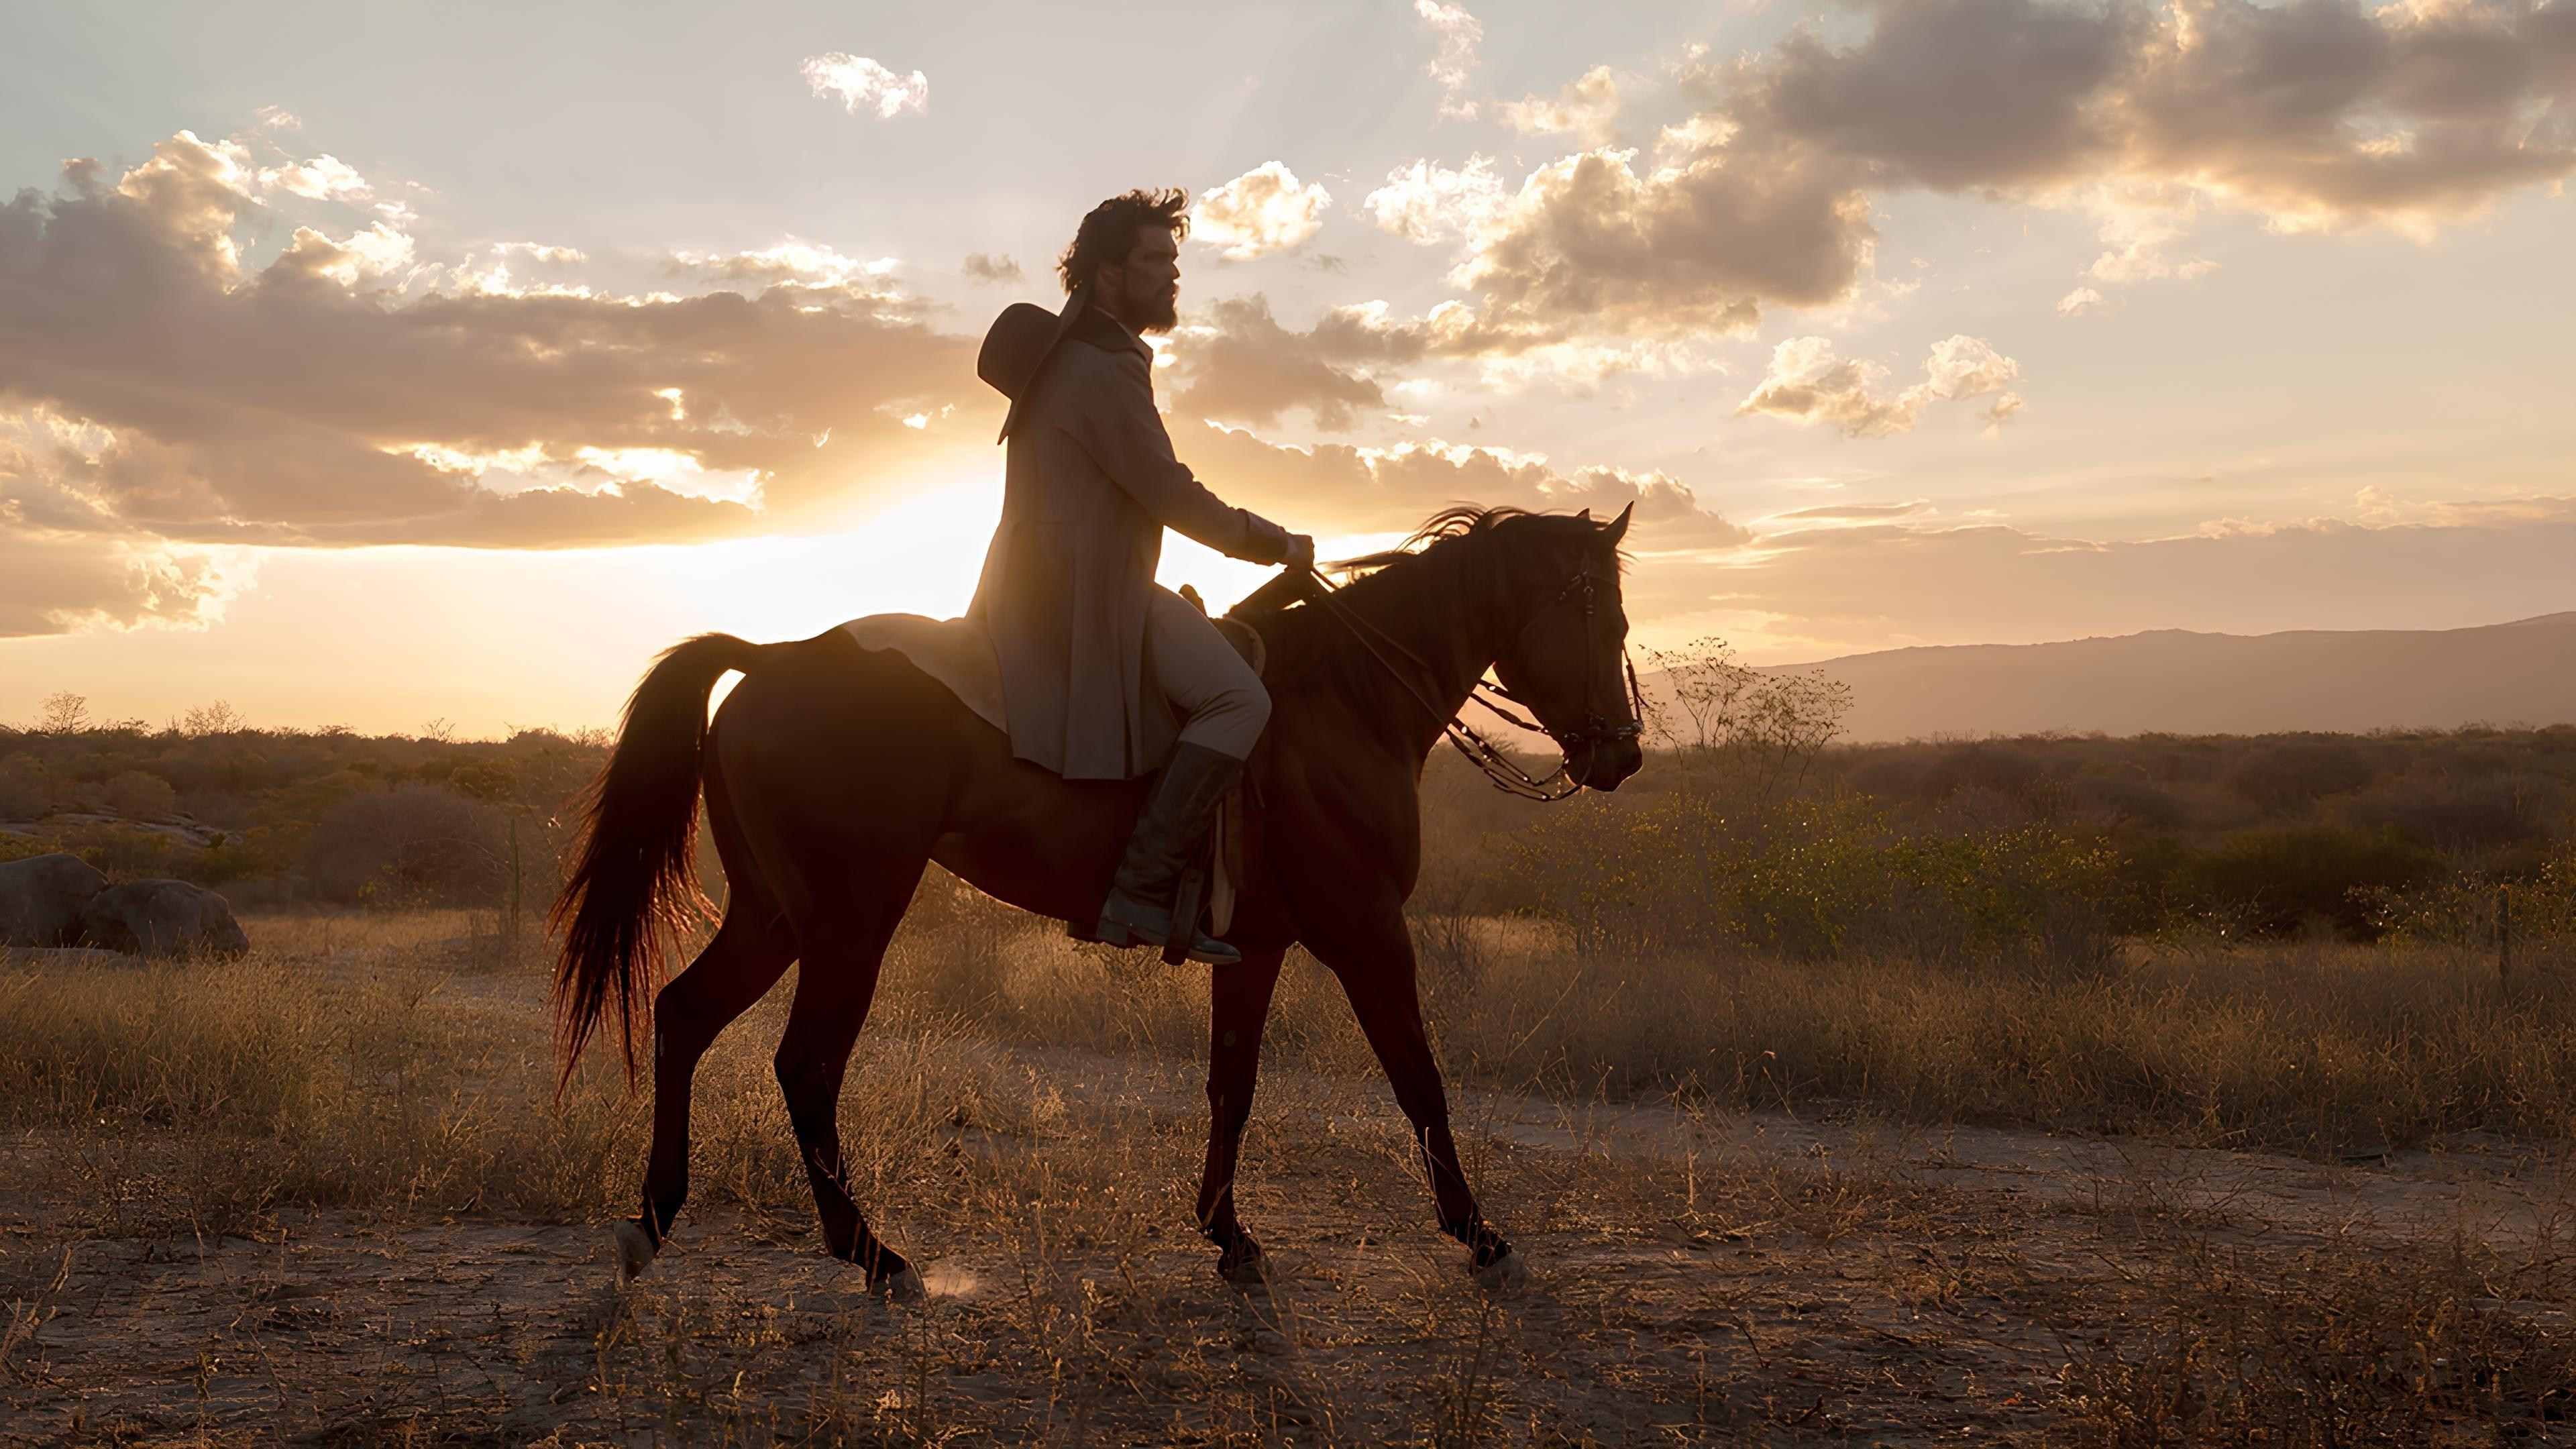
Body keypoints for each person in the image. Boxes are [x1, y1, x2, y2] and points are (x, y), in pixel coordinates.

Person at [967, 189, 1314, 966]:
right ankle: (1143, 886)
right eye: (1155, 261)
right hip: (1087, 595)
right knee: (1237, 699)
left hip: (1037, 582)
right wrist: (1275, 544)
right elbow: (1169, 490)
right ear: (1106, 274)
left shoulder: (1072, 357)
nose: (1172, 276)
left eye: (1174, 261)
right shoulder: (1101, 367)